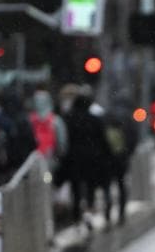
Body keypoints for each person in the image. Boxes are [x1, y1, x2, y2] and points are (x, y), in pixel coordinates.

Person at [62, 92, 111, 229]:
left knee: (76, 189)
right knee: (90, 188)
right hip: (92, 160)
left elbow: (65, 140)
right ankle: (88, 212)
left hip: (74, 160)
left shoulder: (69, 119)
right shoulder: (95, 120)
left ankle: (77, 217)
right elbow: (103, 140)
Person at [27, 86, 68, 170]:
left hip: (31, 161)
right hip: (50, 160)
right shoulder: (56, 120)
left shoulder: (29, 120)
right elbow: (62, 143)